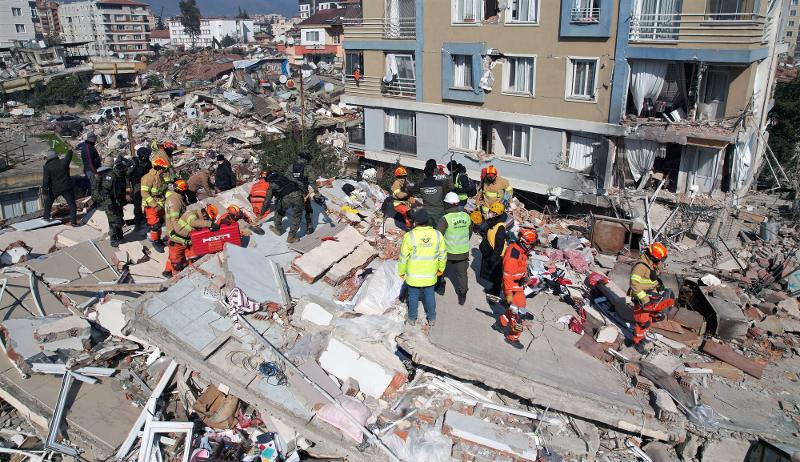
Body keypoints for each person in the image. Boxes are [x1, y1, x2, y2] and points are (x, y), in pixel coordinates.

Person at [398, 208, 447, 327]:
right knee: (429, 296)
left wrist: (401, 271)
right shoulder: (437, 235)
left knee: (413, 296)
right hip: (430, 274)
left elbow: (403, 256)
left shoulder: (410, 236)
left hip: (414, 275)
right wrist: (441, 269)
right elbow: (443, 254)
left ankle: (412, 318)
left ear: (415, 222)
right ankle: (432, 318)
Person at [500, 228, 538, 348]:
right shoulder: (513, 255)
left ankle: (500, 323)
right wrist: (509, 295)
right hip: (512, 287)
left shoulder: (520, 251)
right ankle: (512, 337)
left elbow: (520, 268)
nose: (533, 247)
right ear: (525, 243)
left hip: (518, 285)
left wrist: (524, 277)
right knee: (518, 317)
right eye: (531, 244)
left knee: (519, 307)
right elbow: (507, 276)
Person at [628, 243, 670, 350]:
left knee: (649, 319)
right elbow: (634, 284)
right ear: (652, 257)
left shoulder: (651, 264)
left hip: (649, 296)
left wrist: (658, 284)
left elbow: (650, 280)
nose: (660, 262)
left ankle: (641, 337)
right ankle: (636, 342)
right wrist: (644, 300)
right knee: (642, 321)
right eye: (659, 260)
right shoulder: (641, 266)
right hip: (641, 298)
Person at [436, 192, 471, 305]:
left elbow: (438, 236)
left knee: (440, 268)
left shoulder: (445, 218)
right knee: (462, 274)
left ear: (447, 204)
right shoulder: (466, 216)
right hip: (463, 252)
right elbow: (469, 233)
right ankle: (462, 295)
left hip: (447, 252)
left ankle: (441, 286)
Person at [165, 204, 219, 276]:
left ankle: (193, 273)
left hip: (188, 241)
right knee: (177, 263)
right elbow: (193, 222)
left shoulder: (200, 219)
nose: (207, 220)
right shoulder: (191, 214)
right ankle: (174, 277)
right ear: (204, 213)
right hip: (176, 242)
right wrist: (210, 224)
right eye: (207, 219)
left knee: (194, 257)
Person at [92, 156, 129, 247]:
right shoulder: (109, 175)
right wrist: (109, 204)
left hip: (116, 201)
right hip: (110, 202)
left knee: (119, 218)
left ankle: (120, 236)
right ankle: (113, 240)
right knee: (114, 221)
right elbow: (105, 192)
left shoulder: (114, 174)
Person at [140, 157, 172, 253]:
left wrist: (172, 197)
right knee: (155, 225)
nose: (164, 170)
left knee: (161, 221)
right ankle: (155, 241)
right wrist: (154, 205)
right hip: (150, 205)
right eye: (163, 168)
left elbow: (164, 190)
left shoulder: (160, 176)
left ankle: (159, 238)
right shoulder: (147, 178)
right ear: (158, 168)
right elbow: (144, 193)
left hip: (160, 202)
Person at [264, 170, 305, 243]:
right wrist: (303, 192)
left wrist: (262, 212)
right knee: (297, 217)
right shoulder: (286, 177)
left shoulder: (272, 185)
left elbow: (267, 201)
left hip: (286, 199)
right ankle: (291, 237)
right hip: (298, 196)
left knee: (279, 212)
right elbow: (300, 184)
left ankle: (278, 229)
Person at [288, 150, 320, 235]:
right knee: (308, 209)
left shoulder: (292, 166)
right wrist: (317, 192)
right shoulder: (308, 167)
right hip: (303, 193)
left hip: (291, 192)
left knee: (296, 212)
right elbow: (312, 181)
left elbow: (286, 177)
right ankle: (309, 227)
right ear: (307, 159)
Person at [42, 149, 78, 226]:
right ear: (56, 156)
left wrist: (44, 191)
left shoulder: (47, 167)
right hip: (67, 187)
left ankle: (46, 217)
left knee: (48, 202)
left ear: (48, 157)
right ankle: (73, 221)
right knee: (72, 204)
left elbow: (45, 181)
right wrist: (70, 150)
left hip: (54, 189)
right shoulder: (63, 162)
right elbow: (69, 157)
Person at [479, 202, 508, 296]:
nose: (489, 213)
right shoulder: (493, 222)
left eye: (491, 212)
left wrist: (494, 258)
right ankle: (493, 289)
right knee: (493, 275)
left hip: (498, 255)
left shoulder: (500, 228)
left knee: (496, 276)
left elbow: (499, 246)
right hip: (492, 251)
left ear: (496, 214)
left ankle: (495, 293)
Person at [419, 160, 450, 226]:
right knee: (440, 228)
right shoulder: (444, 175)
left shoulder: (427, 175)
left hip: (429, 209)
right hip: (441, 206)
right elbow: (449, 188)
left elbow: (421, 187)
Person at [128, 147, 152, 227]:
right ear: (143, 156)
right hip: (136, 185)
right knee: (137, 203)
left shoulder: (148, 164)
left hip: (146, 184)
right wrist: (129, 187)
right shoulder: (134, 162)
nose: (148, 156)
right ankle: (138, 220)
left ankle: (147, 217)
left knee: (147, 201)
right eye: (147, 155)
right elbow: (127, 175)